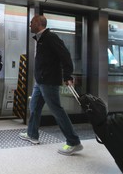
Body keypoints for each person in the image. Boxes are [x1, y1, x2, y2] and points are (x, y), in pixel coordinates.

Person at [19, 15, 83, 156]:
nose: (30, 25)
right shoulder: (41, 39)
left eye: (31, 23)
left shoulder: (51, 38)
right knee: (34, 107)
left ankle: (74, 142)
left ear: (38, 23)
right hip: (40, 81)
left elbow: (65, 55)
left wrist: (67, 75)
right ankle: (32, 134)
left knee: (57, 110)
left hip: (48, 82)